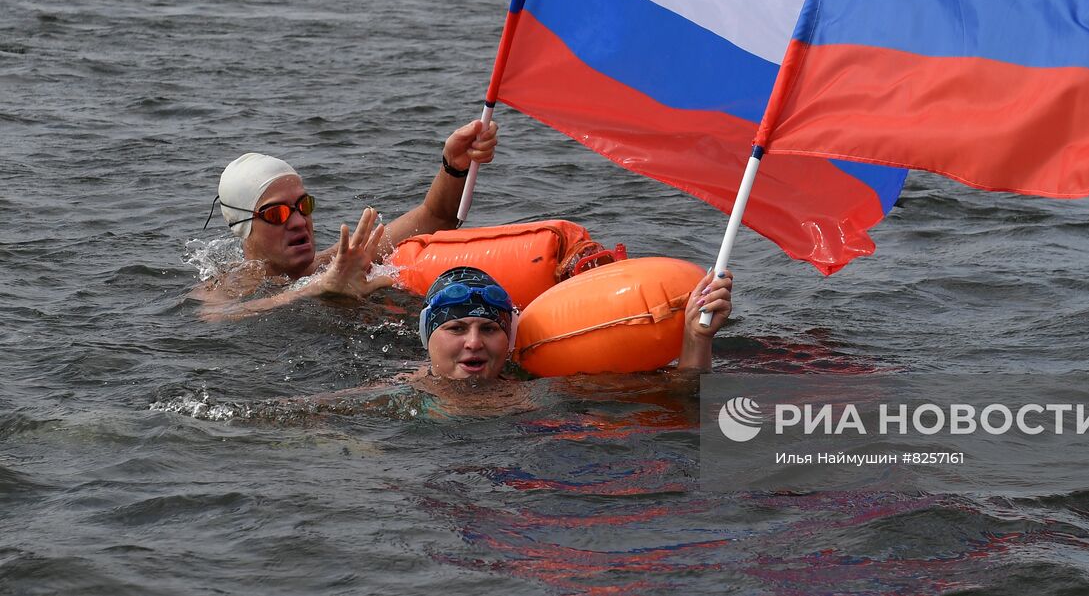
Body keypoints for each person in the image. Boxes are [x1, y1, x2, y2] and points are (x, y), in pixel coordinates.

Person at [194, 120, 498, 320]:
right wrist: (314, 290)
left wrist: (453, 165)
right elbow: (216, 319)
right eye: (277, 214)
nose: (299, 221)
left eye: (304, 205)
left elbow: (437, 217)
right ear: (242, 226)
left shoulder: (341, 262)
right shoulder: (224, 289)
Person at [409, 264, 734, 391]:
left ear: (508, 340)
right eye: (456, 328)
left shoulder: (536, 390)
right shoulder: (398, 397)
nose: (474, 342)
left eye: (489, 329)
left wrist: (696, 338)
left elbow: (683, 395)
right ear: (427, 336)